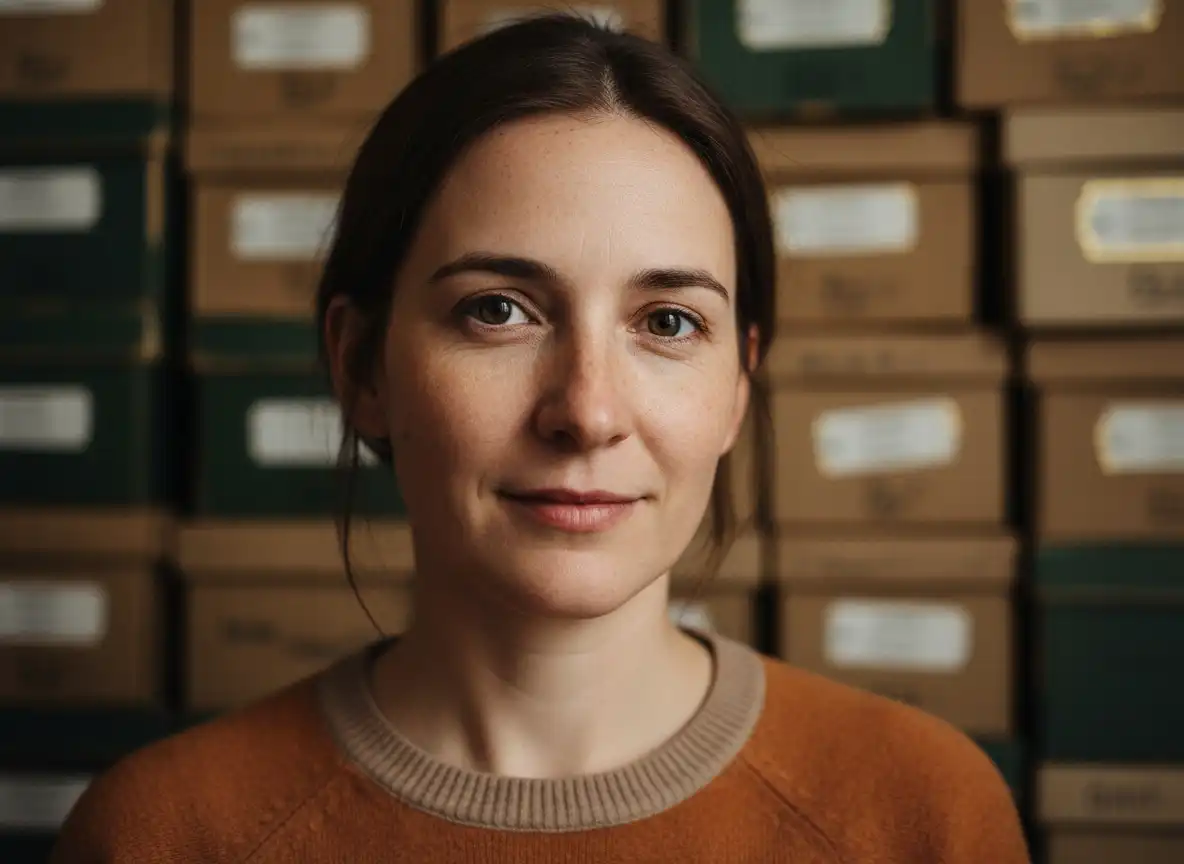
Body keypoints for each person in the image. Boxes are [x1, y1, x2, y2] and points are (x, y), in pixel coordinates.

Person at [51, 15, 1030, 863]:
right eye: (498, 311)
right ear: (361, 369)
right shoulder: (162, 835)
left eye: (668, 323)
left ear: (738, 387)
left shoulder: (922, 814)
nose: (587, 411)